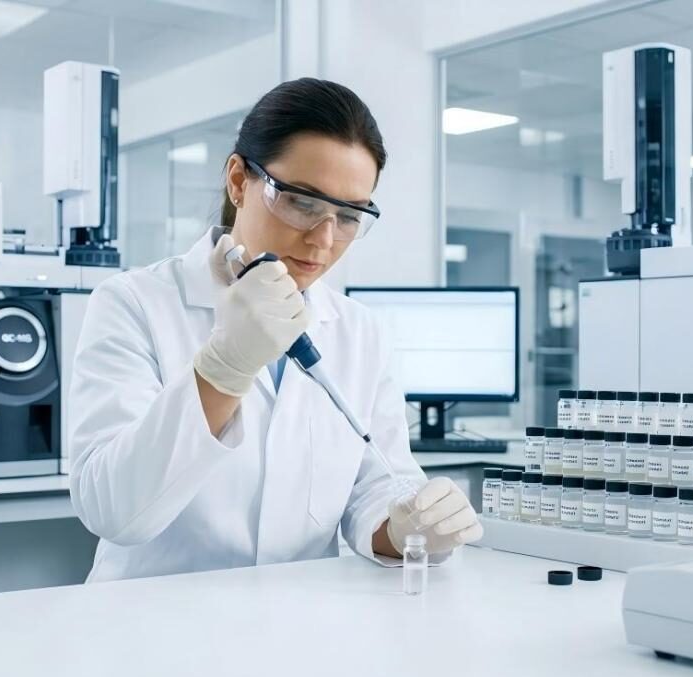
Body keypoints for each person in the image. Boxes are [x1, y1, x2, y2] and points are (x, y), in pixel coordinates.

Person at [69, 78, 482, 582]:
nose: (323, 240)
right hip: (157, 628)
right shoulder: (134, 303)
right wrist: (225, 367)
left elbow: (376, 486)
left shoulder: (359, 331)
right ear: (239, 180)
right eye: (302, 203)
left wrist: (408, 531)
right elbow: (113, 510)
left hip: (295, 626)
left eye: (349, 216)